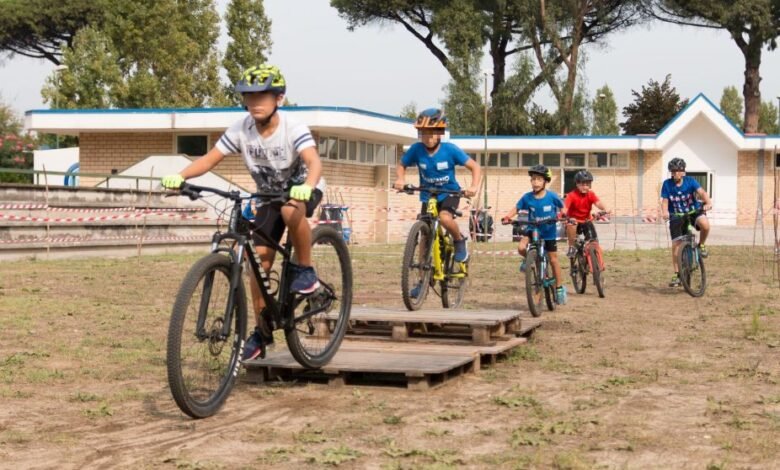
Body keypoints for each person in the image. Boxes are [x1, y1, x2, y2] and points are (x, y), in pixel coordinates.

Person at [161, 64, 324, 360]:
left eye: (262, 95)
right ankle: (262, 331)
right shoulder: (241, 128)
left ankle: (305, 268)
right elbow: (211, 158)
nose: (255, 102)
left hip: (302, 189)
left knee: (291, 210)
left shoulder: (293, 127)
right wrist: (182, 176)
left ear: (279, 99)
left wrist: (308, 185)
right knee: (257, 263)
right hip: (267, 196)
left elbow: (313, 162)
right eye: (249, 96)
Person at [393, 107, 481, 263]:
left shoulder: (450, 150)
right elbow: (401, 165)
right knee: (424, 235)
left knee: (445, 218)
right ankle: (421, 278)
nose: (427, 137)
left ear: (440, 131)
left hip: (450, 193)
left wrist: (473, 187)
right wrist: (400, 179)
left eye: (431, 132)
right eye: (424, 132)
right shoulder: (416, 149)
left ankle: (459, 241)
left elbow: (475, 167)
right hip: (428, 196)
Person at [501, 164, 566, 304]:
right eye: (533, 179)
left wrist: (564, 214)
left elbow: (563, 207)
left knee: (553, 259)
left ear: (545, 181)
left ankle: (559, 287)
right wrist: (507, 217)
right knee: (521, 248)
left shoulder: (552, 196)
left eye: (539, 179)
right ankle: (530, 259)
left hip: (548, 232)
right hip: (533, 229)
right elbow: (516, 208)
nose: (535, 182)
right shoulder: (527, 197)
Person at [660, 157, 713, 288]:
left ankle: (701, 245)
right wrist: (665, 212)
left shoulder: (690, 181)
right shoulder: (667, 184)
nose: (674, 173)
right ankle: (677, 274)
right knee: (676, 246)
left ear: (683, 172)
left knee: (705, 225)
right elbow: (665, 201)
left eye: (676, 171)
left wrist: (708, 202)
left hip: (693, 211)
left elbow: (702, 192)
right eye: (672, 171)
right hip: (677, 215)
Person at [563, 170, 608, 258]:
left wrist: (605, 209)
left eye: (587, 184)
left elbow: (598, 203)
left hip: (586, 220)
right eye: (582, 184)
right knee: (572, 224)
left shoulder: (591, 194)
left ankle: (594, 260)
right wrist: (565, 215)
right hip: (574, 221)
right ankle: (571, 247)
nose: (585, 187)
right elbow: (565, 208)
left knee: (593, 240)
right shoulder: (571, 195)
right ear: (577, 184)